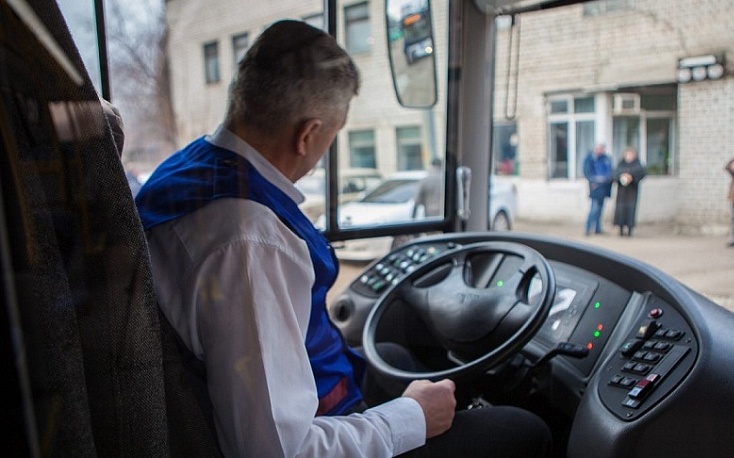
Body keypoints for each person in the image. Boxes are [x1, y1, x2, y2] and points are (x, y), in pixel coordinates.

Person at [135, 21, 550, 457]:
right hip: (313, 429)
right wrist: (412, 419)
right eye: (332, 136)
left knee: (397, 356)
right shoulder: (251, 242)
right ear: (307, 134)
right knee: (526, 429)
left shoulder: (186, 170)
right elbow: (279, 450)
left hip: (297, 392)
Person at [612, 146, 645, 236]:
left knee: (630, 210)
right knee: (621, 210)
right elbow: (615, 174)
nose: (629, 156)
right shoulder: (621, 164)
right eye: (627, 154)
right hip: (622, 193)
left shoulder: (637, 164)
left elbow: (641, 172)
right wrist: (622, 176)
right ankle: (621, 229)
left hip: (632, 192)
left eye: (631, 154)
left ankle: (630, 229)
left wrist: (631, 177)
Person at [583, 143, 613, 235]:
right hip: (595, 187)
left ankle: (597, 228)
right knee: (594, 208)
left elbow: (610, 171)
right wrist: (593, 181)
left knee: (600, 209)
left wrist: (608, 180)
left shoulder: (606, 159)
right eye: (599, 149)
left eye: (602, 149)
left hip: (604, 187)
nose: (600, 151)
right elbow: (587, 171)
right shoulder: (590, 159)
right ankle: (588, 229)